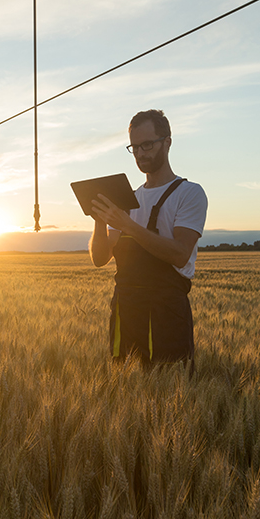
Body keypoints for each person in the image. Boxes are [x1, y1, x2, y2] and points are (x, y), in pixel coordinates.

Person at [89, 109, 208, 368]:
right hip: (125, 311)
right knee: (125, 393)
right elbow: (100, 258)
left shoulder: (189, 193)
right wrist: (99, 218)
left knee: (169, 392)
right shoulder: (127, 199)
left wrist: (128, 226)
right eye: (135, 147)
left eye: (147, 145)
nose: (141, 153)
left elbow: (179, 253)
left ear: (167, 142)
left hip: (166, 313)